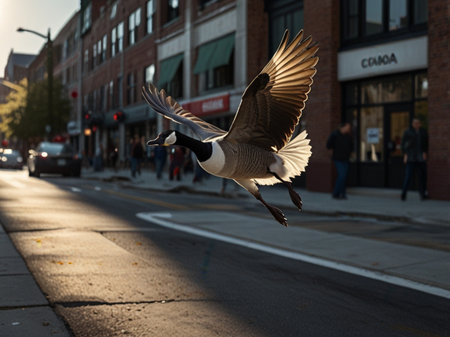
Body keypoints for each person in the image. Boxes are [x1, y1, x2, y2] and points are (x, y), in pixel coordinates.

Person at [401, 118, 428, 201]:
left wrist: (425, 152)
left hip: (420, 157)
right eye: (415, 123)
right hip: (411, 157)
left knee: (422, 177)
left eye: (418, 123)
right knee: (408, 176)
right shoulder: (408, 132)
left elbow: (426, 143)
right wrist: (405, 154)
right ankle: (404, 194)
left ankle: (422, 194)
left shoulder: (423, 132)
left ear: (420, 124)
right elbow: (403, 144)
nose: (416, 124)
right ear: (412, 124)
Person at [326, 122, 353, 199]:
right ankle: (338, 193)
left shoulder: (348, 136)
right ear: (343, 127)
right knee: (342, 175)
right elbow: (328, 145)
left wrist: (350, 153)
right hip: (337, 159)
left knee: (343, 177)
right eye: (348, 127)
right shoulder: (335, 135)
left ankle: (339, 194)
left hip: (346, 159)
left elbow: (351, 146)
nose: (349, 129)